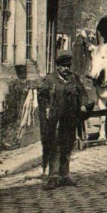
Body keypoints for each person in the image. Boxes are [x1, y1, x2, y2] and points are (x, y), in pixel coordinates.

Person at [38, 50, 90, 190]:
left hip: (70, 118)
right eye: (64, 66)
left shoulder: (74, 78)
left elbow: (83, 93)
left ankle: (64, 176)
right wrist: (46, 108)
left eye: (69, 66)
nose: (67, 69)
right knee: (55, 147)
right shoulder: (50, 79)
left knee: (67, 146)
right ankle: (53, 178)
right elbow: (41, 96)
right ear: (58, 66)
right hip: (55, 120)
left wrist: (84, 105)